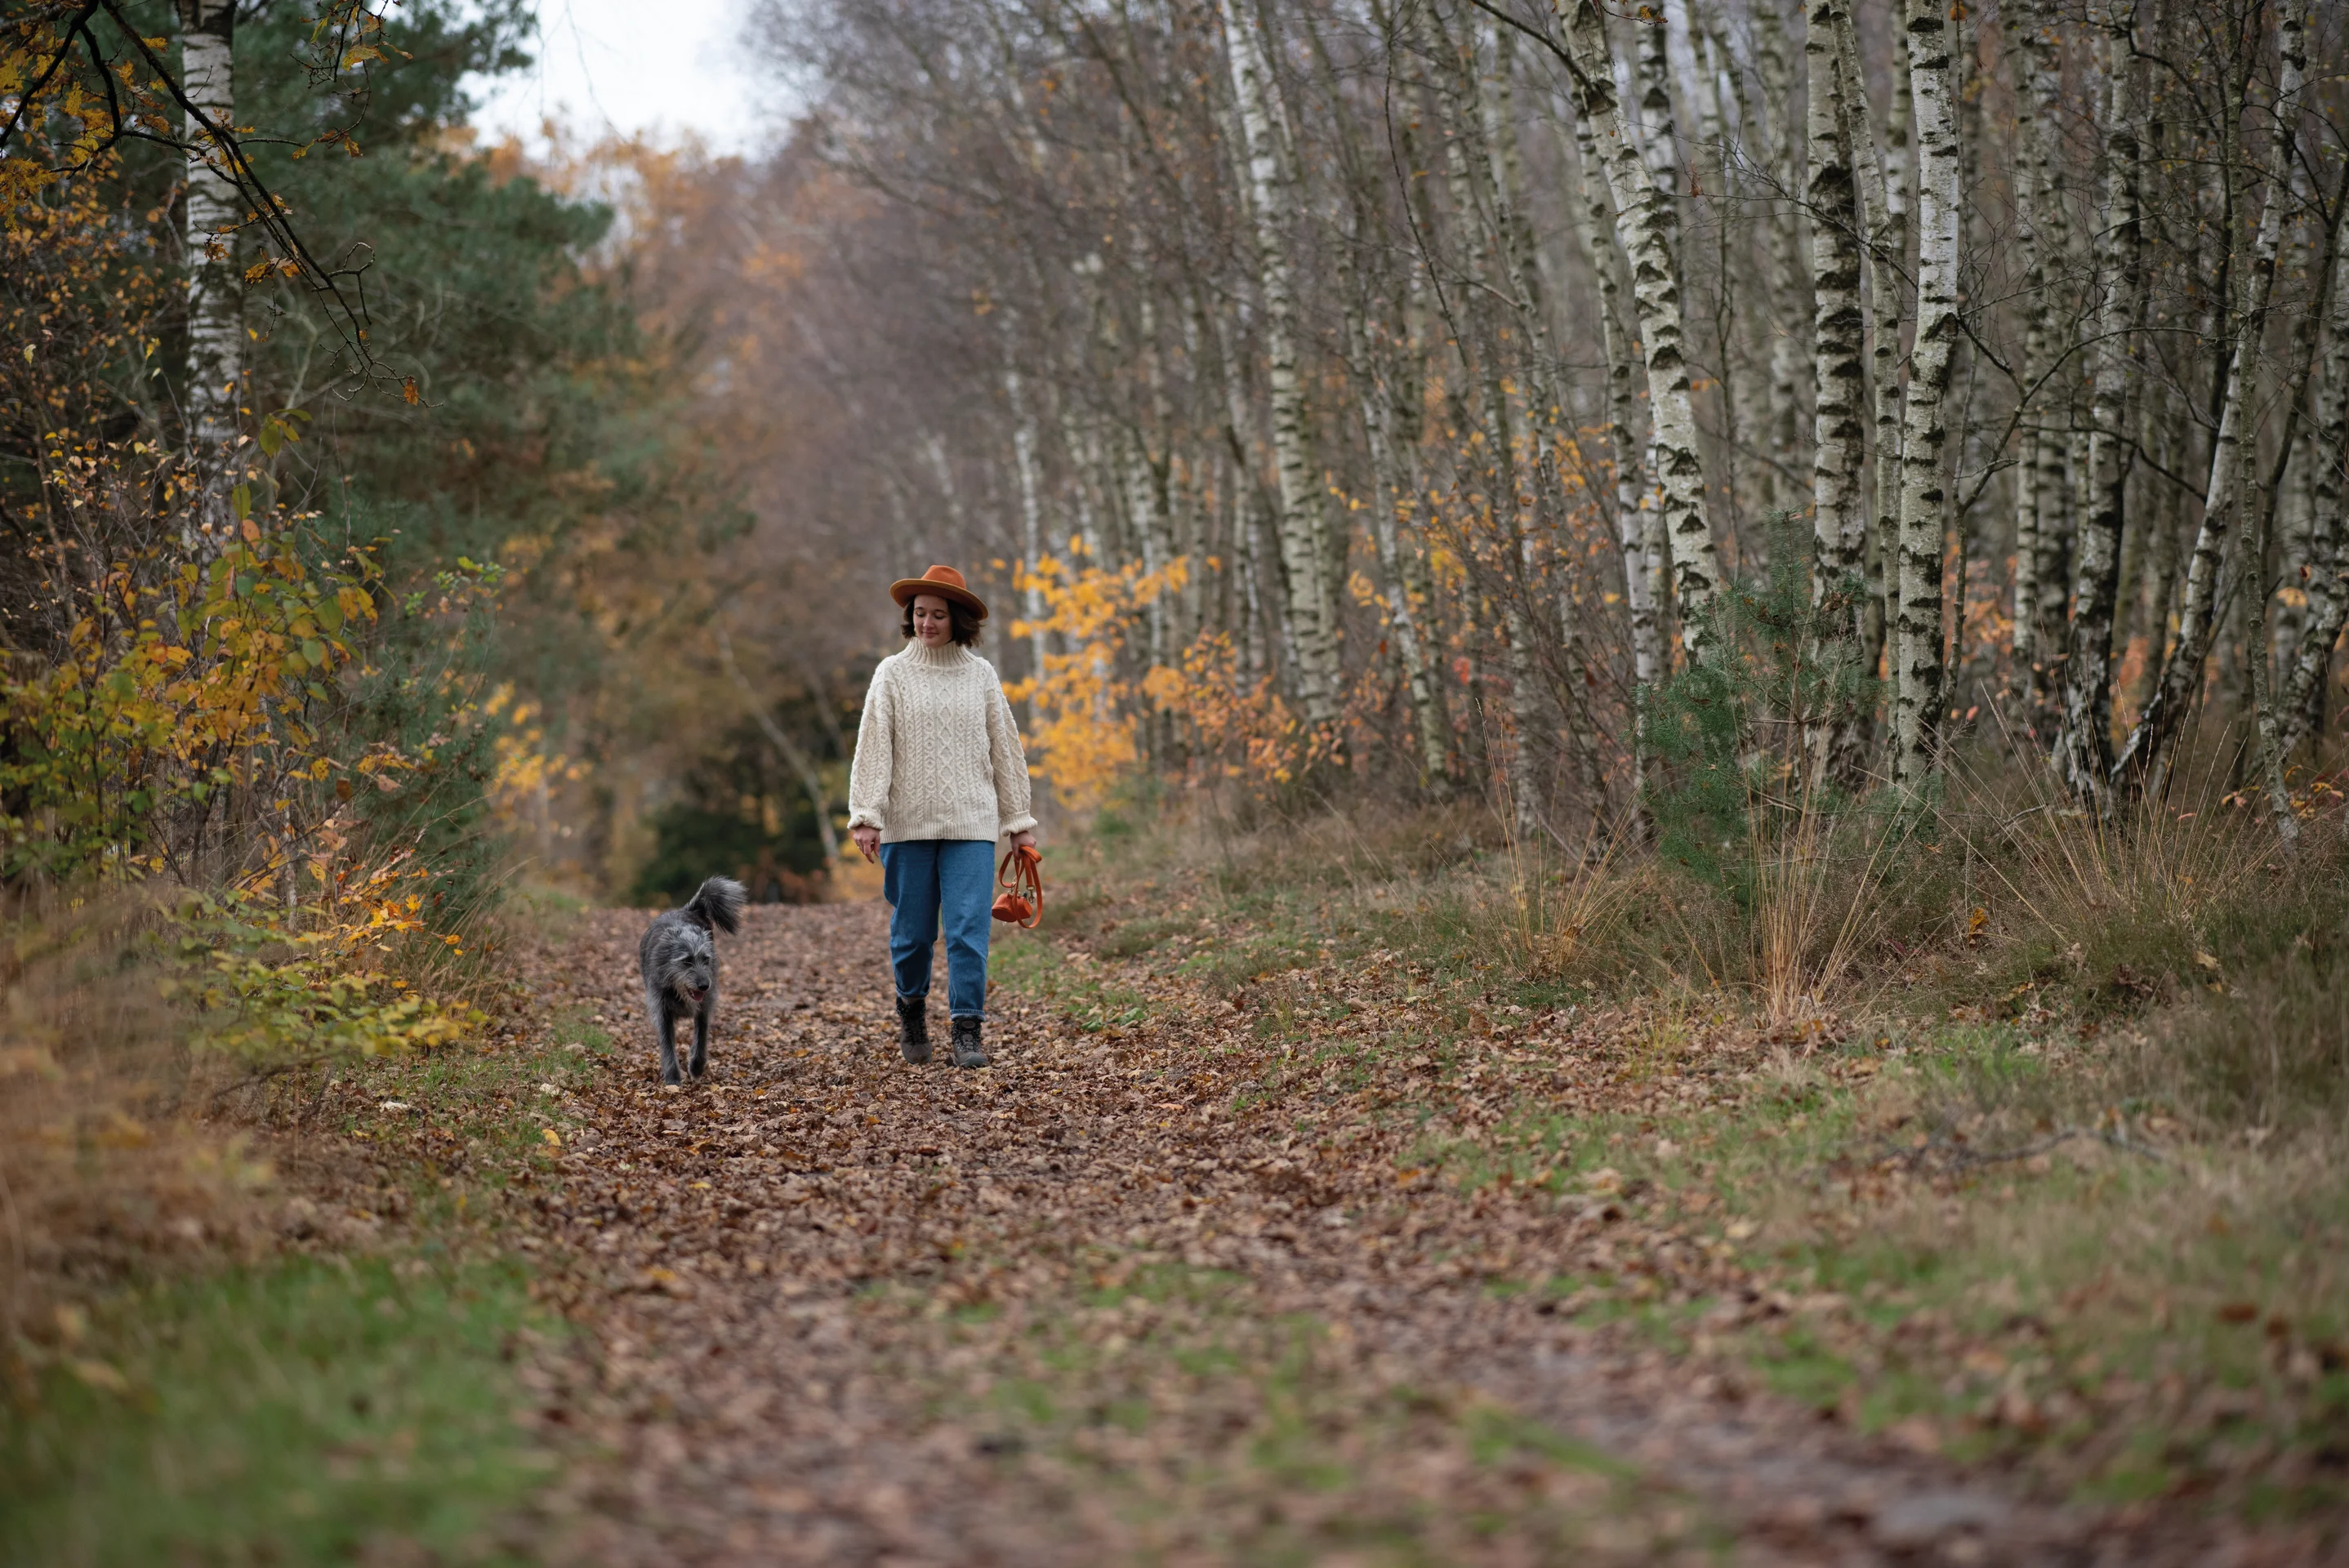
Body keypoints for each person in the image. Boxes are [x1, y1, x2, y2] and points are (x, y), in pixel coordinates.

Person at [846, 564, 1038, 1069]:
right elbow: (873, 746)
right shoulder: (891, 673)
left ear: (957, 621)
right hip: (907, 826)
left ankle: (967, 1029)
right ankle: (910, 1008)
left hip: (971, 824)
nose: (927, 622)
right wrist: (867, 814)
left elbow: (1006, 749)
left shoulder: (981, 675)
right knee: (912, 934)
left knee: (968, 930)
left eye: (938, 615)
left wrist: (1018, 822)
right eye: (920, 613)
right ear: (910, 617)